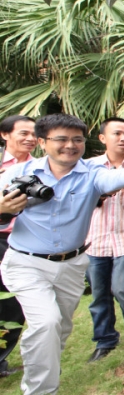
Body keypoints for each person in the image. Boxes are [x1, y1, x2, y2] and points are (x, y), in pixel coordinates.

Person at [0, 113, 124, 395]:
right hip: (26, 263)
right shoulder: (17, 174)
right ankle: (41, 390)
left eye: (77, 139)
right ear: (43, 142)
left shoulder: (92, 174)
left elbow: (115, 177)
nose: (71, 145)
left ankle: (42, 376)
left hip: (72, 266)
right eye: (62, 139)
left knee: (59, 330)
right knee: (47, 323)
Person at [85, 117, 124, 362]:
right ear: (102, 138)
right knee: (99, 294)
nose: (123, 138)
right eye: (117, 133)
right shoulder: (89, 166)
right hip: (95, 240)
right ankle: (105, 340)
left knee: (123, 289)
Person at [0, 115, 35, 377]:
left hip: (25, 241)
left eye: (34, 134)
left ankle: (1, 358)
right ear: (5, 135)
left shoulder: (42, 166)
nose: (30, 139)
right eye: (23, 133)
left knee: (13, 305)